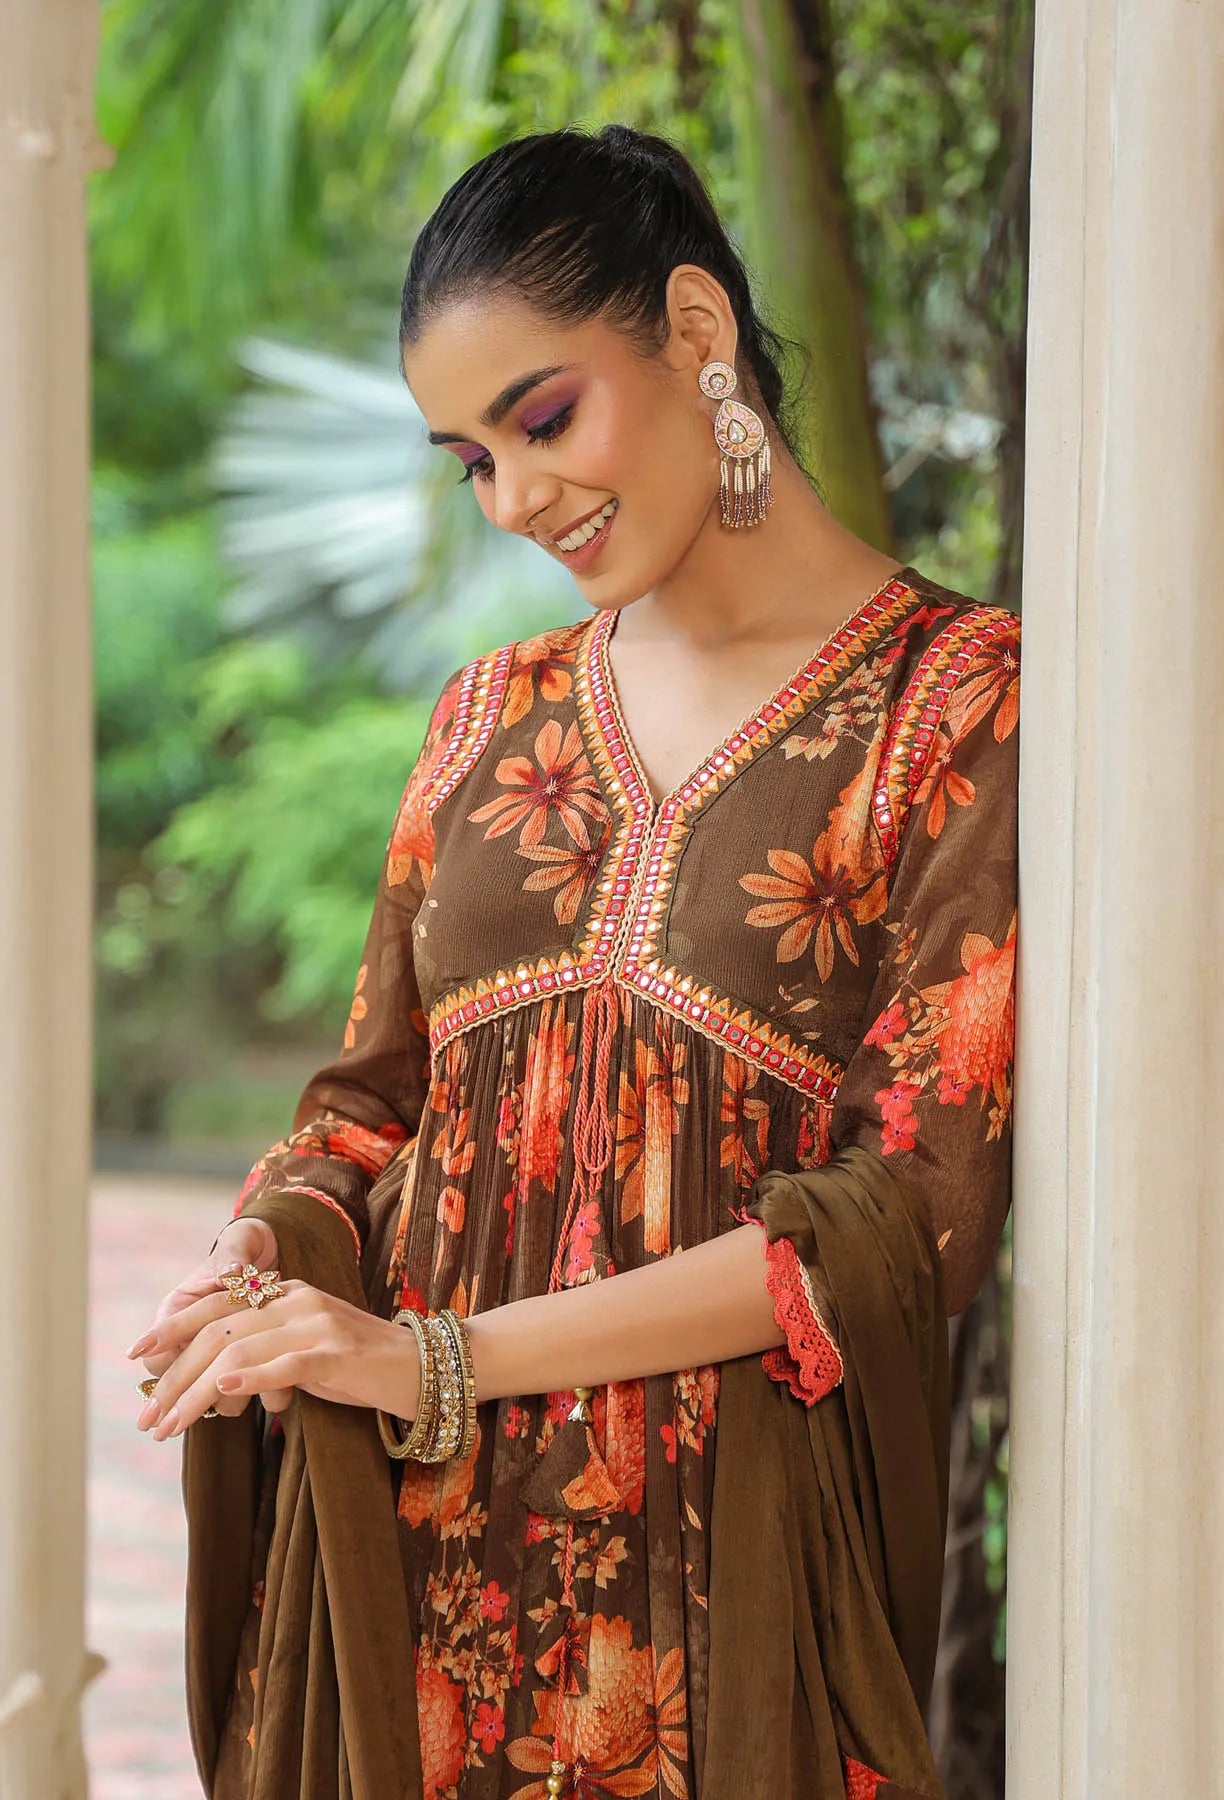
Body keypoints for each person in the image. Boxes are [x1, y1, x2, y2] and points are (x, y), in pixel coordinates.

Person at [128, 124, 1019, 1800]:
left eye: (541, 419)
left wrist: (437, 1361)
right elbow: (366, 1112)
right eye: (471, 458)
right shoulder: (490, 715)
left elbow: (907, 1219)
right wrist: (268, 1250)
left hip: (717, 1610)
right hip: (406, 1589)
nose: (515, 499)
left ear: (695, 328)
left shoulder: (953, 704)